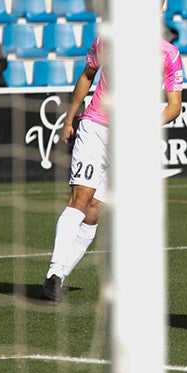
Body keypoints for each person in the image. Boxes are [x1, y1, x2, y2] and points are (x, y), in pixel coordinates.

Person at [42, 35, 109, 302]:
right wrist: (70, 118)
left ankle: (57, 277)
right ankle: (54, 273)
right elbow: (87, 74)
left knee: (94, 212)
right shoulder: (108, 39)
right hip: (95, 127)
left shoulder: (166, 53)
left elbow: (174, 105)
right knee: (80, 200)